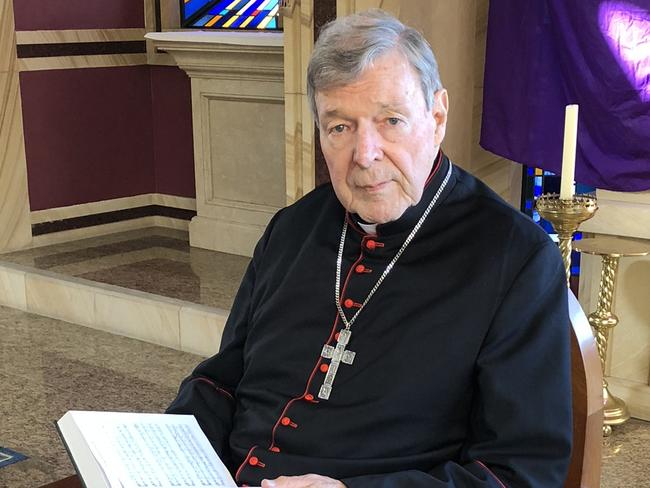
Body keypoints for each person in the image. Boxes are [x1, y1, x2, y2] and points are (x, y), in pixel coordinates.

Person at [167, 10, 572, 488]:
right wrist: (163, 448)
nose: (365, 154)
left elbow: (519, 472)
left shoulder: (514, 258)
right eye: (340, 128)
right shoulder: (292, 229)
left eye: (391, 121)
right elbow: (223, 380)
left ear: (437, 116)